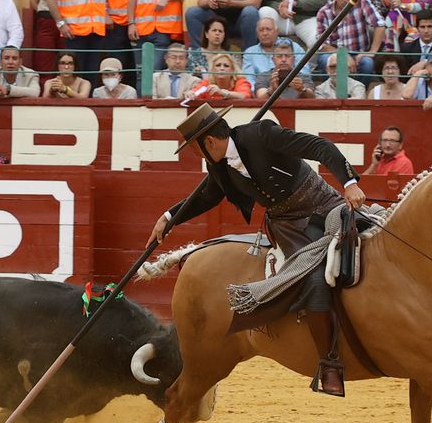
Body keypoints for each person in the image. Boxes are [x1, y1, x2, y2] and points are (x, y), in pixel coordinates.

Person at [152, 103, 365, 396]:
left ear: (209, 141)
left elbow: (319, 146)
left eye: (194, 148)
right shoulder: (218, 166)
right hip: (289, 227)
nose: (196, 154)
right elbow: (206, 197)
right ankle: (330, 364)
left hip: (324, 206)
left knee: (375, 238)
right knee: (314, 277)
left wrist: (349, 183)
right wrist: (168, 218)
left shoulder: (261, 134)